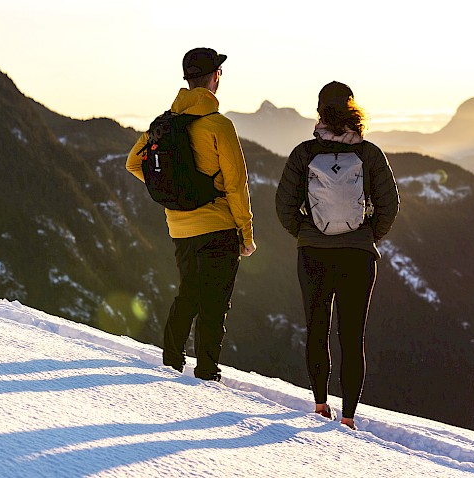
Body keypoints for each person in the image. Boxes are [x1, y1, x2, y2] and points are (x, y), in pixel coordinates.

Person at [126, 47, 256, 381]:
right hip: (218, 226)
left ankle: (171, 360)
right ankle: (207, 372)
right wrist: (246, 233)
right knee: (214, 302)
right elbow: (236, 183)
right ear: (216, 77)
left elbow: (133, 163)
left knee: (188, 292)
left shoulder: (164, 125)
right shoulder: (219, 125)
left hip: (179, 227)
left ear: (187, 80)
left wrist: (170, 191)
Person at [275, 81, 399, 429]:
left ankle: (318, 405)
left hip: (313, 253)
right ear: (352, 109)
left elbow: (284, 205)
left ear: (319, 112)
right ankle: (348, 417)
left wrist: (303, 232)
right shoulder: (369, 153)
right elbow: (389, 204)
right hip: (357, 256)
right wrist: (370, 233)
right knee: (351, 336)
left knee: (317, 329)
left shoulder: (303, 153)